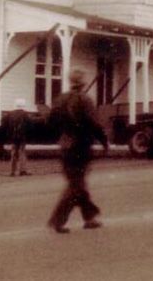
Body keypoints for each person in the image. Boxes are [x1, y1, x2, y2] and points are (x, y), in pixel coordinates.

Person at [47, 69, 109, 233]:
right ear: (82, 83)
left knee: (77, 182)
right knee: (76, 184)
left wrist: (62, 135)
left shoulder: (60, 99)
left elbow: (50, 122)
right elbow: (94, 124)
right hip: (81, 146)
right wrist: (104, 142)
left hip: (65, 146)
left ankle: (89, 218)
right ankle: (58, 220)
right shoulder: (85, 100)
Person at [7, 98, 30, 177]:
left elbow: (7, 125)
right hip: (22, 137)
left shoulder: (10, 114)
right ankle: (22, 171)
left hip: (13, 137)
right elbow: (29, 125)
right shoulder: (25, 114)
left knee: (13, 153)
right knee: (22, 153)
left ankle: (12, 172)